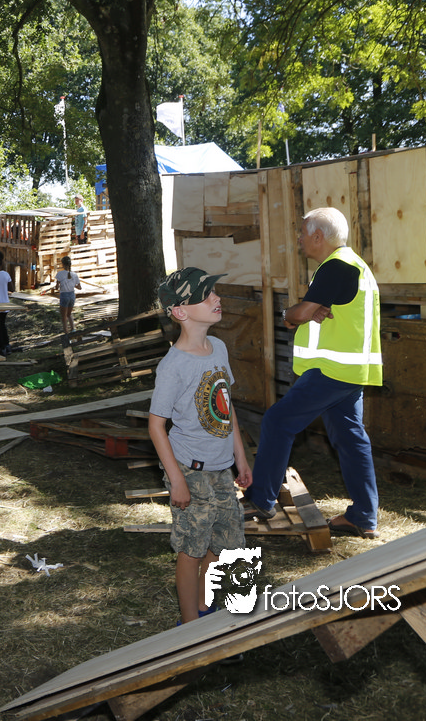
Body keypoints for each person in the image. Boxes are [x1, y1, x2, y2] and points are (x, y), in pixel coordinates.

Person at [243, 207, 383, 539]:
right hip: (351, 371)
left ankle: (260, 499)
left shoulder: (336, 266)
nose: (299, 239)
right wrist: (304, 312)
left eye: (302, 233)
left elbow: (300, 314)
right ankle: (364, 516)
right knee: (350, 439)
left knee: (278, 421)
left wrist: (290, 313)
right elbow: (310, 312)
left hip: (332, 372)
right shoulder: (354, 265)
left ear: (318, 237)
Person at [148, 267, 252, 624]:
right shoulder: (173, 366)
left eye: (214, 292)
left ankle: (205, 607)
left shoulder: (218, 348)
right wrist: (176, 480)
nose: (216, 298)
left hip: (221, 468)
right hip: (190, 471)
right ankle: (190, 625)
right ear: (181, 311)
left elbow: (225, 405)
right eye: (206, 295)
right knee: (191, 549)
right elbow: (156, 425)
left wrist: (241, 458)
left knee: (223, 543)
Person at [55, 255, 83, 336]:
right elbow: (79, 287)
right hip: (72, 295)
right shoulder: (74, 274)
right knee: (69, 314)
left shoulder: (59, 274)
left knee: (64, 316)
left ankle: (66, 334)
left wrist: (58, 286)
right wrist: (72, 284)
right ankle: (73, 329)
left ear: (63, 264)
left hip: (64, 295)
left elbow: (57, 287)